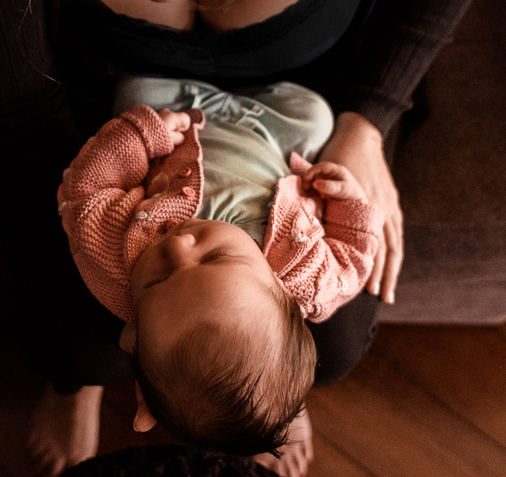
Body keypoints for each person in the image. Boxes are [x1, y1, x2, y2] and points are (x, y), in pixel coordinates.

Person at [0, 0, 498, 474]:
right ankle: (74, 383)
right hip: (116, 96)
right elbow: (16, 114)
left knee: (329, 348)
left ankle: (274, 393)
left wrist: (366, 123)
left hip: (304, 103)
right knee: (74, 337)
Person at [55, 79, 382, 458]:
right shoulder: (311, 280)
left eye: (156, 281)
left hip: (181, 118)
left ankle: (277, 406)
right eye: (216, 259)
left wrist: (141, 137)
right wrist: (350, 206)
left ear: (132, 332)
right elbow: (353, 257)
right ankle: (284, 406)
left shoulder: (111, 258)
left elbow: (86, 193)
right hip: (268, 133)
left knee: (133, 93)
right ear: (282, 292)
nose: (178, 246)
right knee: (316, 116)